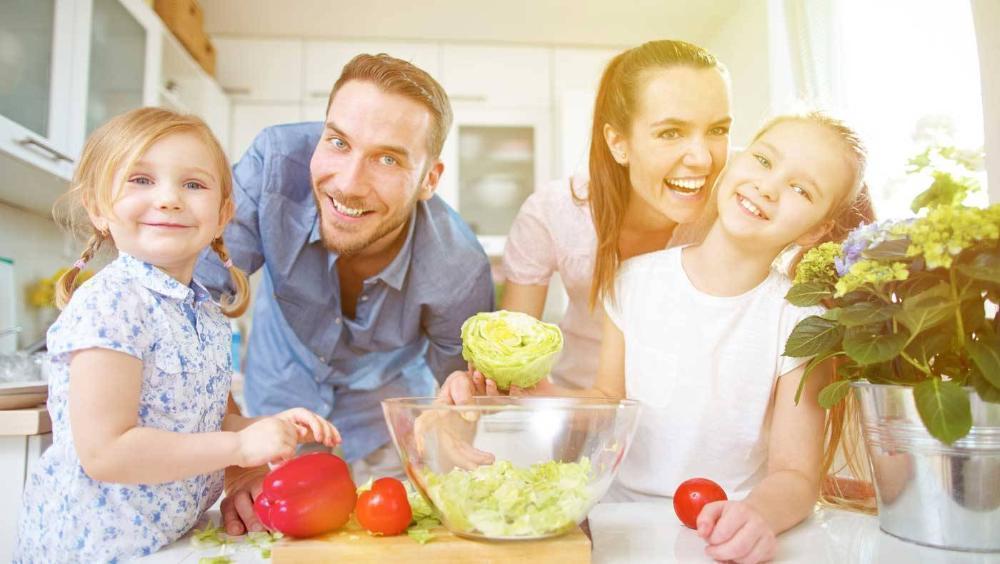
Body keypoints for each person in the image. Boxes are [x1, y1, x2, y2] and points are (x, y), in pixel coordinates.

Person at [444, 112, 876, 564]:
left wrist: (757, 516)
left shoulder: (801, 320)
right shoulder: (633, 281)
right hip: (619, 524)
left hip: (725, 530)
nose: (769, 187)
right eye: (765, 161)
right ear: (737, 160)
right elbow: (610, 398)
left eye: (801, 189)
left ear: (816, 229)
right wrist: (543, 393)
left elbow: (795, 474)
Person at [13, 108, 339, 563]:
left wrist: (266, 427)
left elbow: (189, 424)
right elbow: (108, 451)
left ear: (224, 214)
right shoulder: (113, 302)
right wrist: (241, 447)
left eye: (193, 184)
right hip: (93, 550)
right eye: (140, 180)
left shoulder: (202, 311)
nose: (168, 199)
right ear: (98, 208)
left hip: (164, 542)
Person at [194, 53, 495, 535]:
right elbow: (192, 303)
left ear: (429, 180)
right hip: (275, 404)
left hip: (389, 425)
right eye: (338, 142)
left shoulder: (459, 269)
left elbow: (456, 390)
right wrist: (237, 454)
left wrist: (449, 431)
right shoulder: (271, 168)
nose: (349, 184)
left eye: (388, 158)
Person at [500, 39, 732, 390]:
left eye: (718, 130)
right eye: (670, 133)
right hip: (580, 405)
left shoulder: (743, 198)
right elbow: (509, 351)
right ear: (618, 143)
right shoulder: (553, 213)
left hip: (685, 416)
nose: (702, 159)